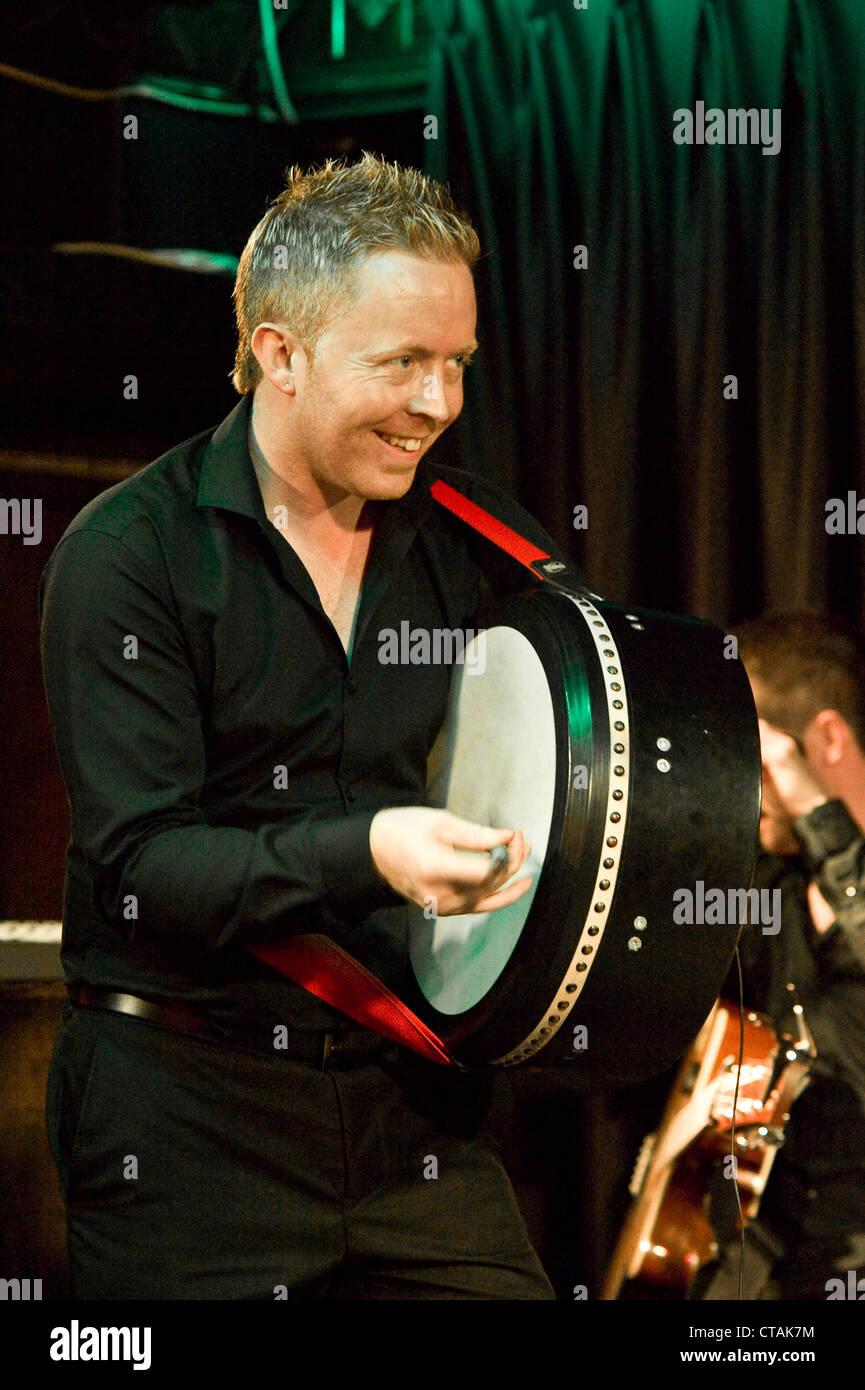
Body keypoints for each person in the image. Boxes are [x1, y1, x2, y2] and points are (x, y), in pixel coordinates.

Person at [38, 154, 563, 1300]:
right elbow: (143, 864)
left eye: (457, 365)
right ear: (281, 352)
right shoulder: (130, 557)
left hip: (416, 1112)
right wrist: (369, 851)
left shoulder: (482, 546)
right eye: (403, 364)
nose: (439, 404)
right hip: (186, 1114)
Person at [707, 613, 865, 1299]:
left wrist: (812, 810)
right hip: (768, 1245)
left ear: (825, 738)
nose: (742, 786)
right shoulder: (766, 879)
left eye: (758, 758)